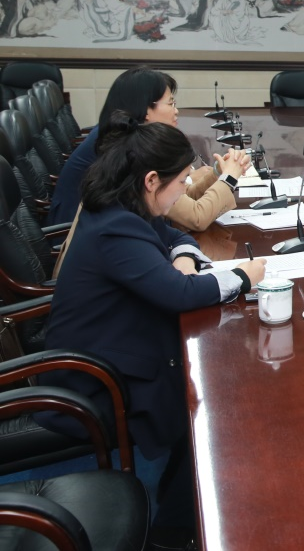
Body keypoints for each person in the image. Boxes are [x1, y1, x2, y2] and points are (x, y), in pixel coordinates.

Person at [38, 114, 265, 537]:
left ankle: (180, 513)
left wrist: (184, 258)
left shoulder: (125, 207)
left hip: (111, 350)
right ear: (151, 180)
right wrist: (243, 277)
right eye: (182, 181)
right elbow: (179, 294)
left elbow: (175, 236)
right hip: (93, 383)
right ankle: (175, 529)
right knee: (212, 399)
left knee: (206, 384)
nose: (185, 188)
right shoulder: (117, 228)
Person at [47, 67, 249, 229]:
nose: (176, 111)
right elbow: (196, 217)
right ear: (145, 110)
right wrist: (230, 178)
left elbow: (180, 198)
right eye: (170, 103)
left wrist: (217, 173)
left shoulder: (125, 132)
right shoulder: (130, 147)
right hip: (81, 240)